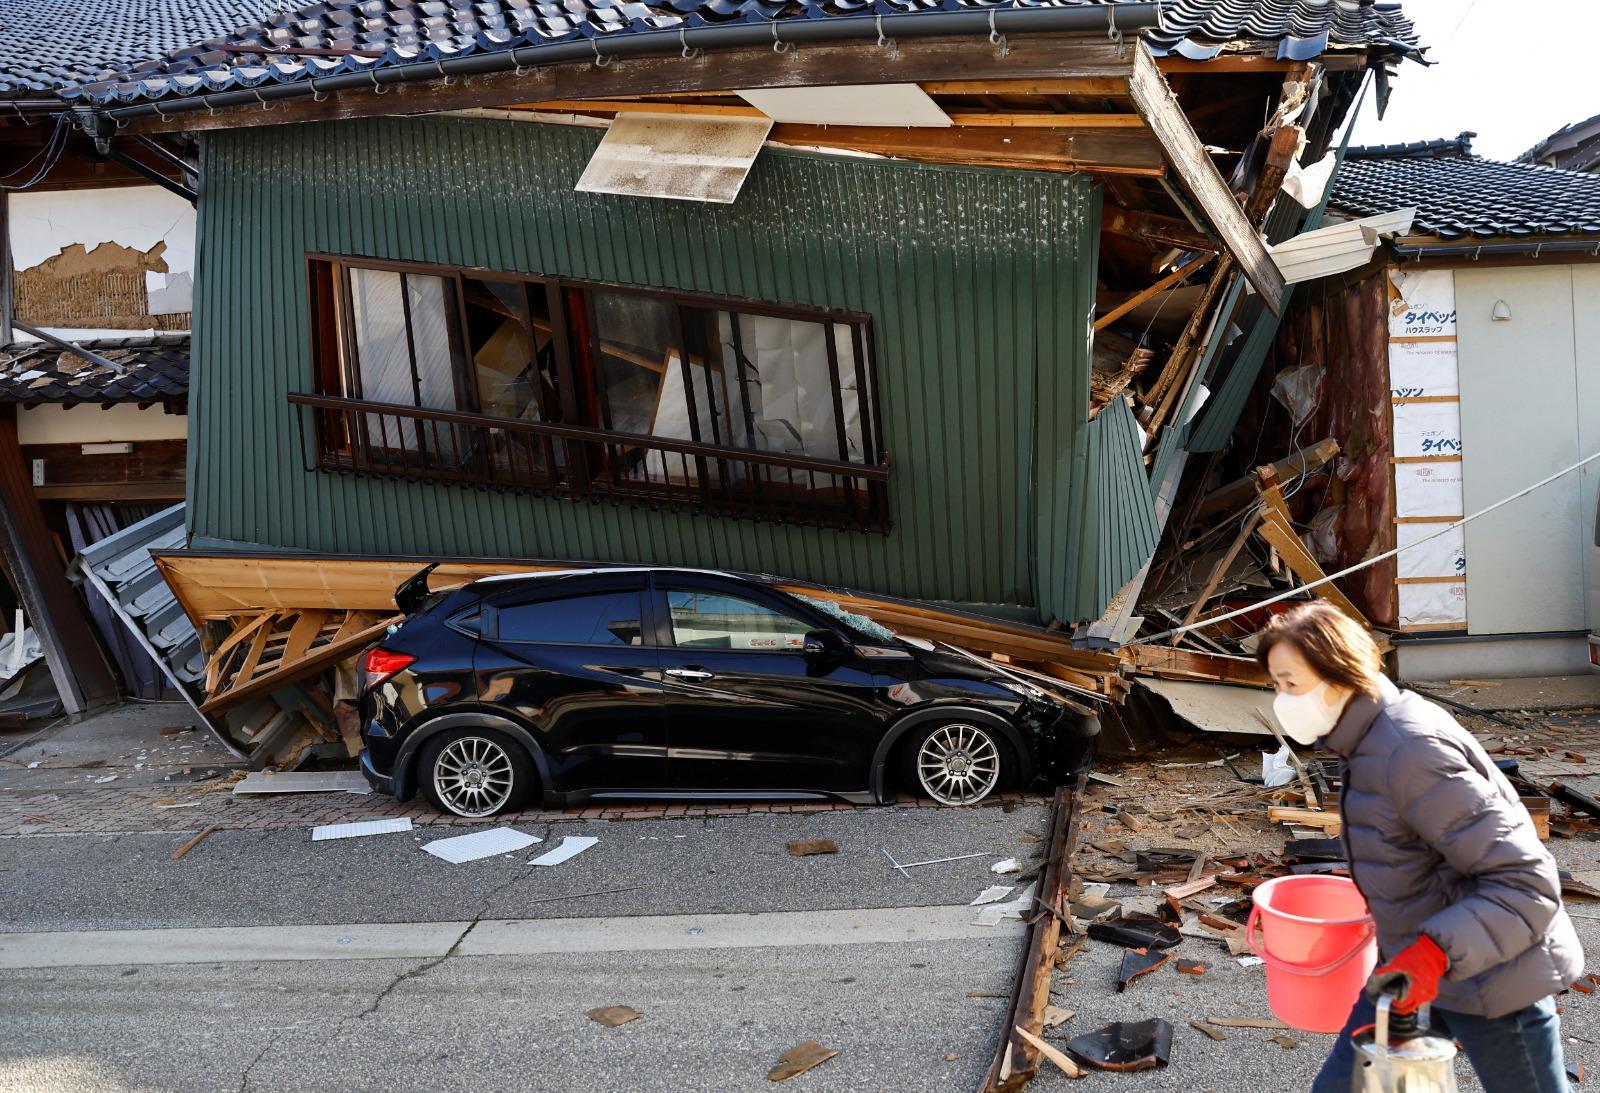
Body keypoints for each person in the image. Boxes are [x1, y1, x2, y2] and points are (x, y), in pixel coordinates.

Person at [1256, 602, 1583, 1093]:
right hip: (1413, 971)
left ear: (1339, 672)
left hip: (1494, 980)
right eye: (1276, 685)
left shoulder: (1410, 750)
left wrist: (1431, 953)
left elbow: (1526, 883)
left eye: (1290, 684)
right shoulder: (1365, 740)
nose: (1282, 700)